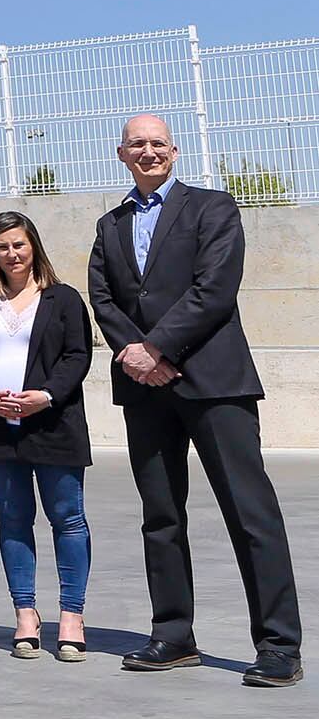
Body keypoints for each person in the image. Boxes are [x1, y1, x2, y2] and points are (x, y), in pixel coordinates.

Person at [88, 115, 301, 686]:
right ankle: (173, 633)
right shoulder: (110, 225)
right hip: (144, 390)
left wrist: (155, 347)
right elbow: (103, 296)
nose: (149, 151)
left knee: (250, 513)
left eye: (158, 142)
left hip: (214, 383)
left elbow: (215, 288)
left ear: (175, 152)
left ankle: (279, 645)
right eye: (138, 144)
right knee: (160, 515)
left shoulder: (213, 208)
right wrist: (135, 355)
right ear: (121, 154)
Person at [0, 211, 92, 661]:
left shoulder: (64, 298)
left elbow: (77, 356)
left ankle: (71, 615)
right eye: (2, 247)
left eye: (19, 244)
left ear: (33, 245)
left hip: (54, 426)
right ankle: (25, 614)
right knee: (13, 522)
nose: (12, 254)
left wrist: (46, 396)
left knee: (67, 519)